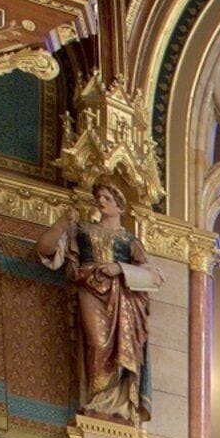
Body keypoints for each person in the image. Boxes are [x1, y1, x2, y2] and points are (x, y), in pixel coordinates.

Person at [43, 181, 156, 422]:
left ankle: (117, 402)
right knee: (96, 341)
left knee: (121, 346)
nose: (101, 201)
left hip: (122, 296)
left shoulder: (130, 241)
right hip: (90, 289)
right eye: (100, 197)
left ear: (120, 206)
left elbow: (154, 276)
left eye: (107, 197)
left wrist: (119, 268)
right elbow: (45, 250)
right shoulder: (82, 231)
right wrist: (63, 222)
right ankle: (98, 398)